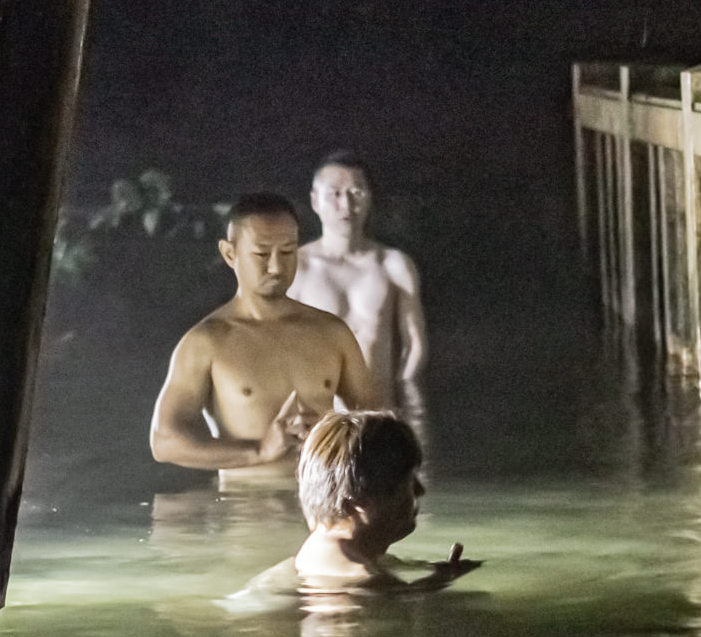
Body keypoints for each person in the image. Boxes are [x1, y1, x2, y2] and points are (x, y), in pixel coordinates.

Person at [151, 192, 381, 480]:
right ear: (230, 253)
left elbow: (381, 426)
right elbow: (164, 442)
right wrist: (259, 450)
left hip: (325, 497)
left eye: (287, 252)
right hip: (248, 502)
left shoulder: (332, 333)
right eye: (261, 254)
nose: (276, 267)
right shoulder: (206, 342)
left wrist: (335, 433)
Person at [222, 410, 481, 604]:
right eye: (408, 481)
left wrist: (437, 576)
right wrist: (438, 585)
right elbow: (394, 603)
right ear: (357, 503)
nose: (420, 490)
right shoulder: (365, 581)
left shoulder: (320, 549)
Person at [288, 153, 427, 409]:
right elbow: (275, 347)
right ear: (315, 201)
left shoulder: (393, 265)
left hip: (379, 414)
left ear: (369, 198)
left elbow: (414, 344)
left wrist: (404, 405)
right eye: (335, 194)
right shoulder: (296, 268)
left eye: (356, 192)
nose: (346, 204)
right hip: (318, 418)